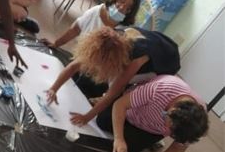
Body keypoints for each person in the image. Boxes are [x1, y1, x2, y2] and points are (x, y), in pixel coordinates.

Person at [46, 26, 180, 128]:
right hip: (150, 42)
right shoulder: (103, 41)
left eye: (100, 63)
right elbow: (73, 66)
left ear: (112, 62)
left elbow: (112, 94)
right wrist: (53, 89)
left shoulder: (134, 61)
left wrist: (86, 117)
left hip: (165, 61)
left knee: (121, 94)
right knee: (84, 78)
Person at [100, 74, 208, 152]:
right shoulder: (161, 89)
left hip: (151, 130)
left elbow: (178, 148)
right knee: (103, 122)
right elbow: (120, 105)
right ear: (172, 111)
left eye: (171, 133)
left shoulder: (196, 124)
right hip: (131, 109)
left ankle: (144, 139)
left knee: (129, 149)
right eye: (169, 126)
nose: (166, 130)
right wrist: (119, 138)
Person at [42, 0, 140, 49]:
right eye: (122, 1)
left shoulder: (123, 30)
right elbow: (75, 29)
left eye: (128, 8)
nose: (122, 7)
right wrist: (56, 44)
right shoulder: (96, 11)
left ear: (129, 12)